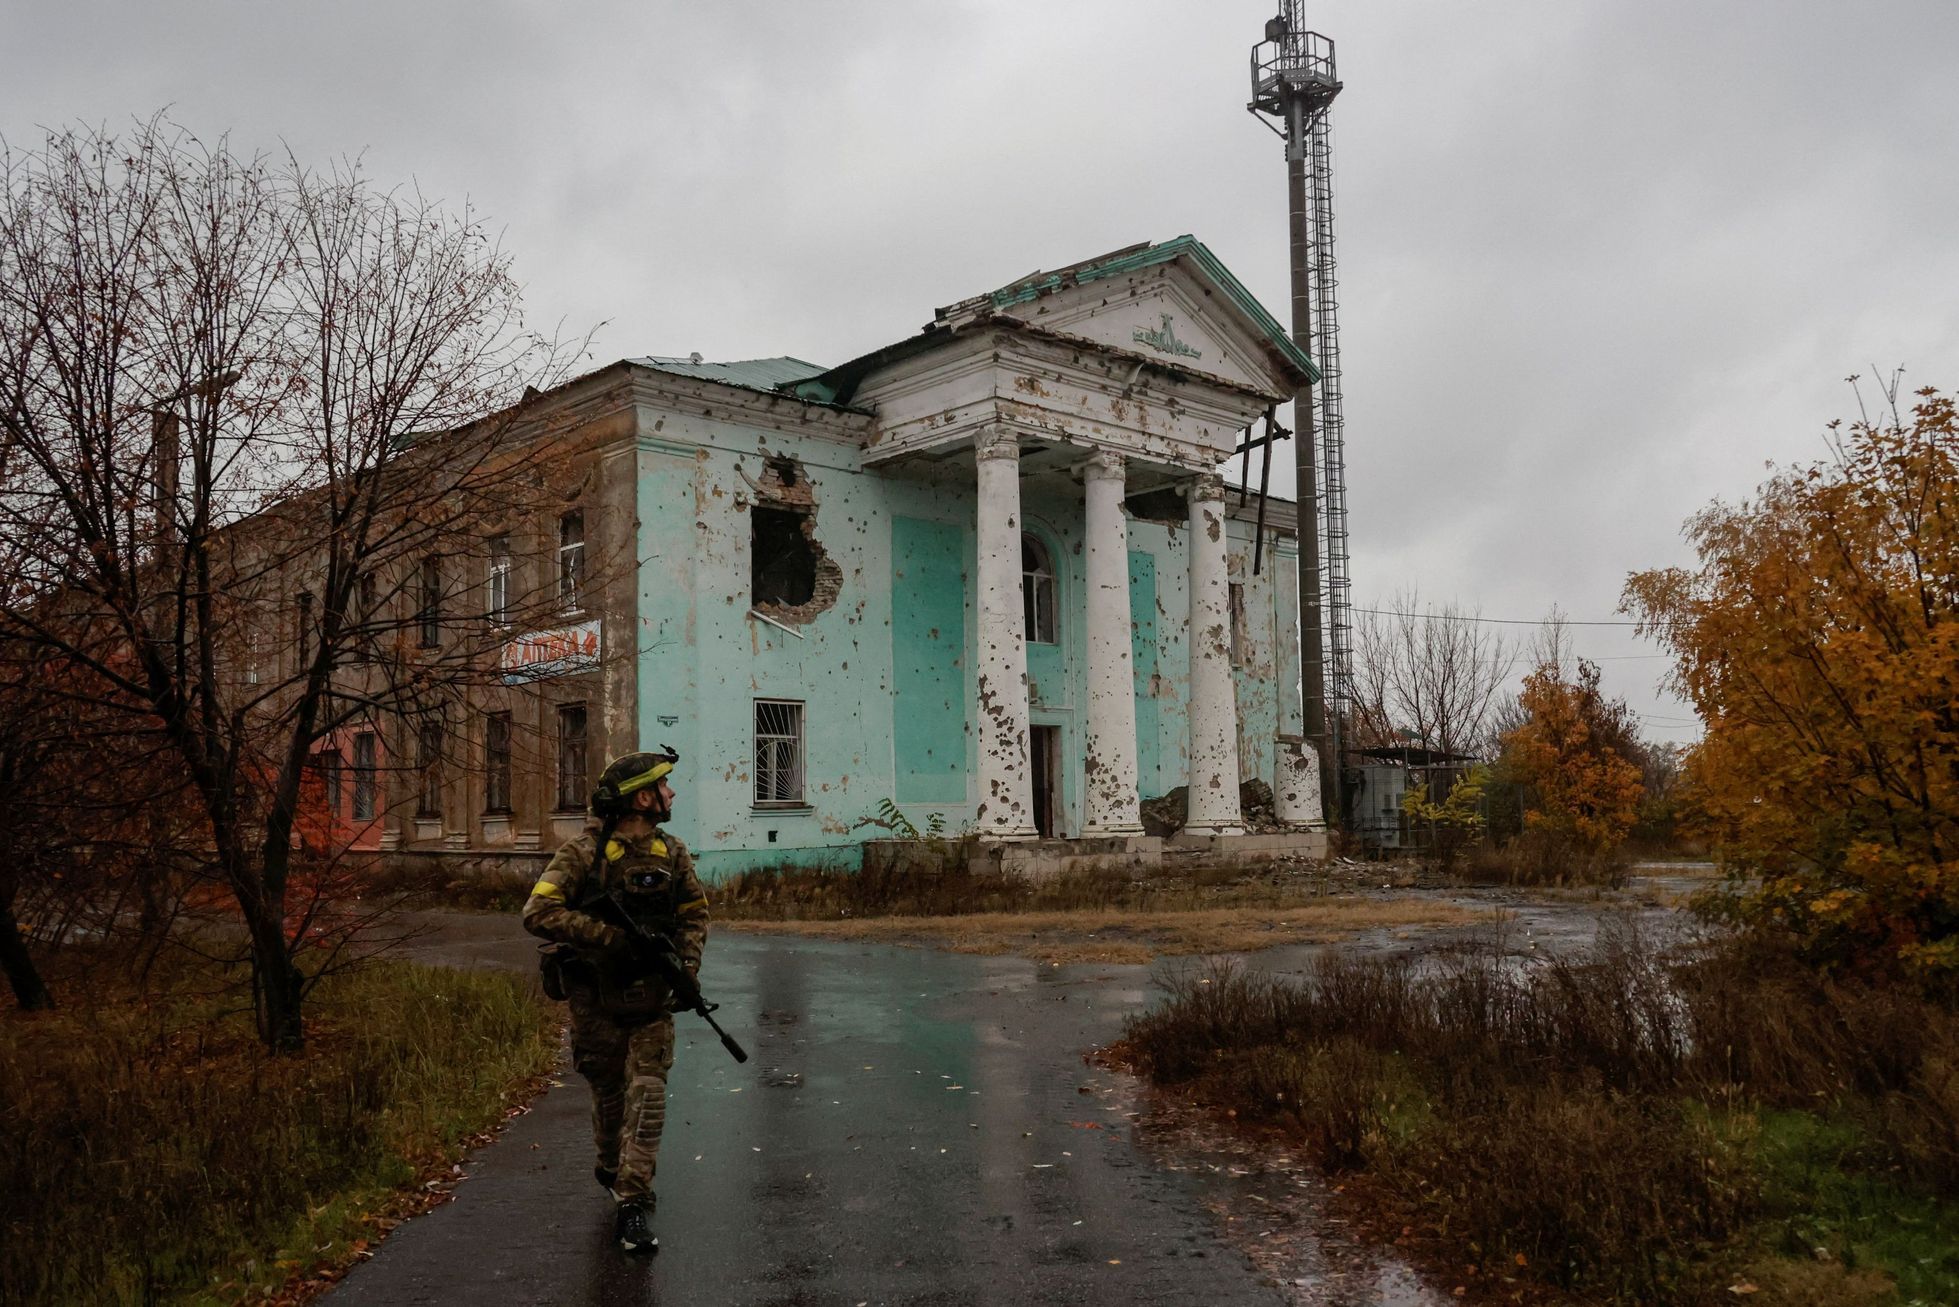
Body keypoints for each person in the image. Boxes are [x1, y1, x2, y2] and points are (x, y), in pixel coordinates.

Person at [521, 747, 710, 1254]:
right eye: (664, 786)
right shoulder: (581, 855)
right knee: (609, 1096)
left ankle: (632, 1200)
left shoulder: (674, 854)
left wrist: (685, 969)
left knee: (647, 1097)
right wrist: (608, 939)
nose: (672, 794)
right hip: (596, 1000)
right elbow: (538, 911)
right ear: (641, 798)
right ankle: (610, 1167)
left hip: (653, 999)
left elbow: (695, 915)